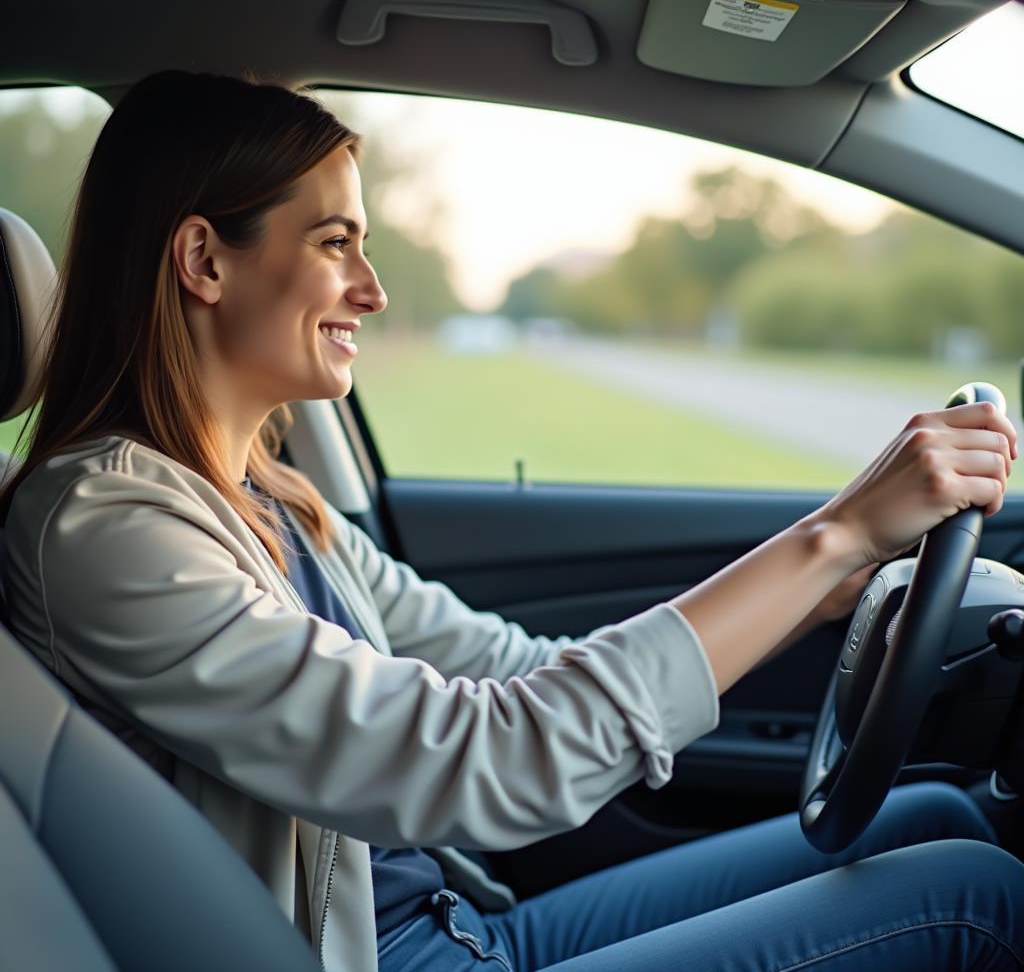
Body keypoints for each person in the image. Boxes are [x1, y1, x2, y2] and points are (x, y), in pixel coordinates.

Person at [2, 70, 1022, 972]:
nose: (373, 286)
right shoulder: (104, 526)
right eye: (336, 242)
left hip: (460, 924)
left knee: (929, 815)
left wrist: (815, 591)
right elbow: (477, 757)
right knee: (976, 899)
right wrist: (831, 533)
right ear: (204, 261)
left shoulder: (271, 498)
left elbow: (513, 666)